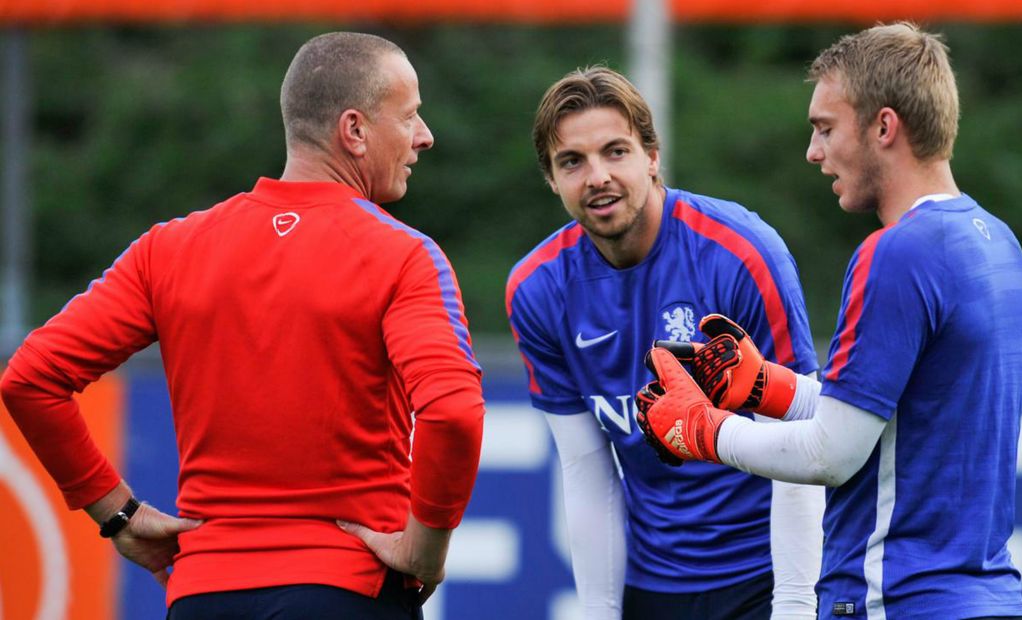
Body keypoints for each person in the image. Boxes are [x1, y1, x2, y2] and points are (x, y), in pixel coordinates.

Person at [0, 32, 485, 619]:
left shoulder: (170, 248)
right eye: (410, 116)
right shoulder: (403, 255)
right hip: (346, 591)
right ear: (354, 131)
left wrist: (117, 515)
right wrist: (426, 549)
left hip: (204, 594)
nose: (424, 136)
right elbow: (453, 413)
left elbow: (29, 379)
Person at [636, 23, 1022, 620]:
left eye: (826, 128)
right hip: (988, 598)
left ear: (883, 126)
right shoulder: (997, 241)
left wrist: (705, 430)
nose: (813, 152)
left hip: (896, 600)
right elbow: (905, 419)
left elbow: (831, 454)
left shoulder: (895, 253)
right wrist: (771, 388)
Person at [506, 66, 824, 620]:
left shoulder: (742, 254)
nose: (597, 176)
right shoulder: (537, 290)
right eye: (572, 162)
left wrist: (794, 606)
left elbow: (802, 443)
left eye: (615, 151)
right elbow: (587, 467)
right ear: (551, 180)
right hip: (654, 585)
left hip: (768, 574)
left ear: (652, 156)